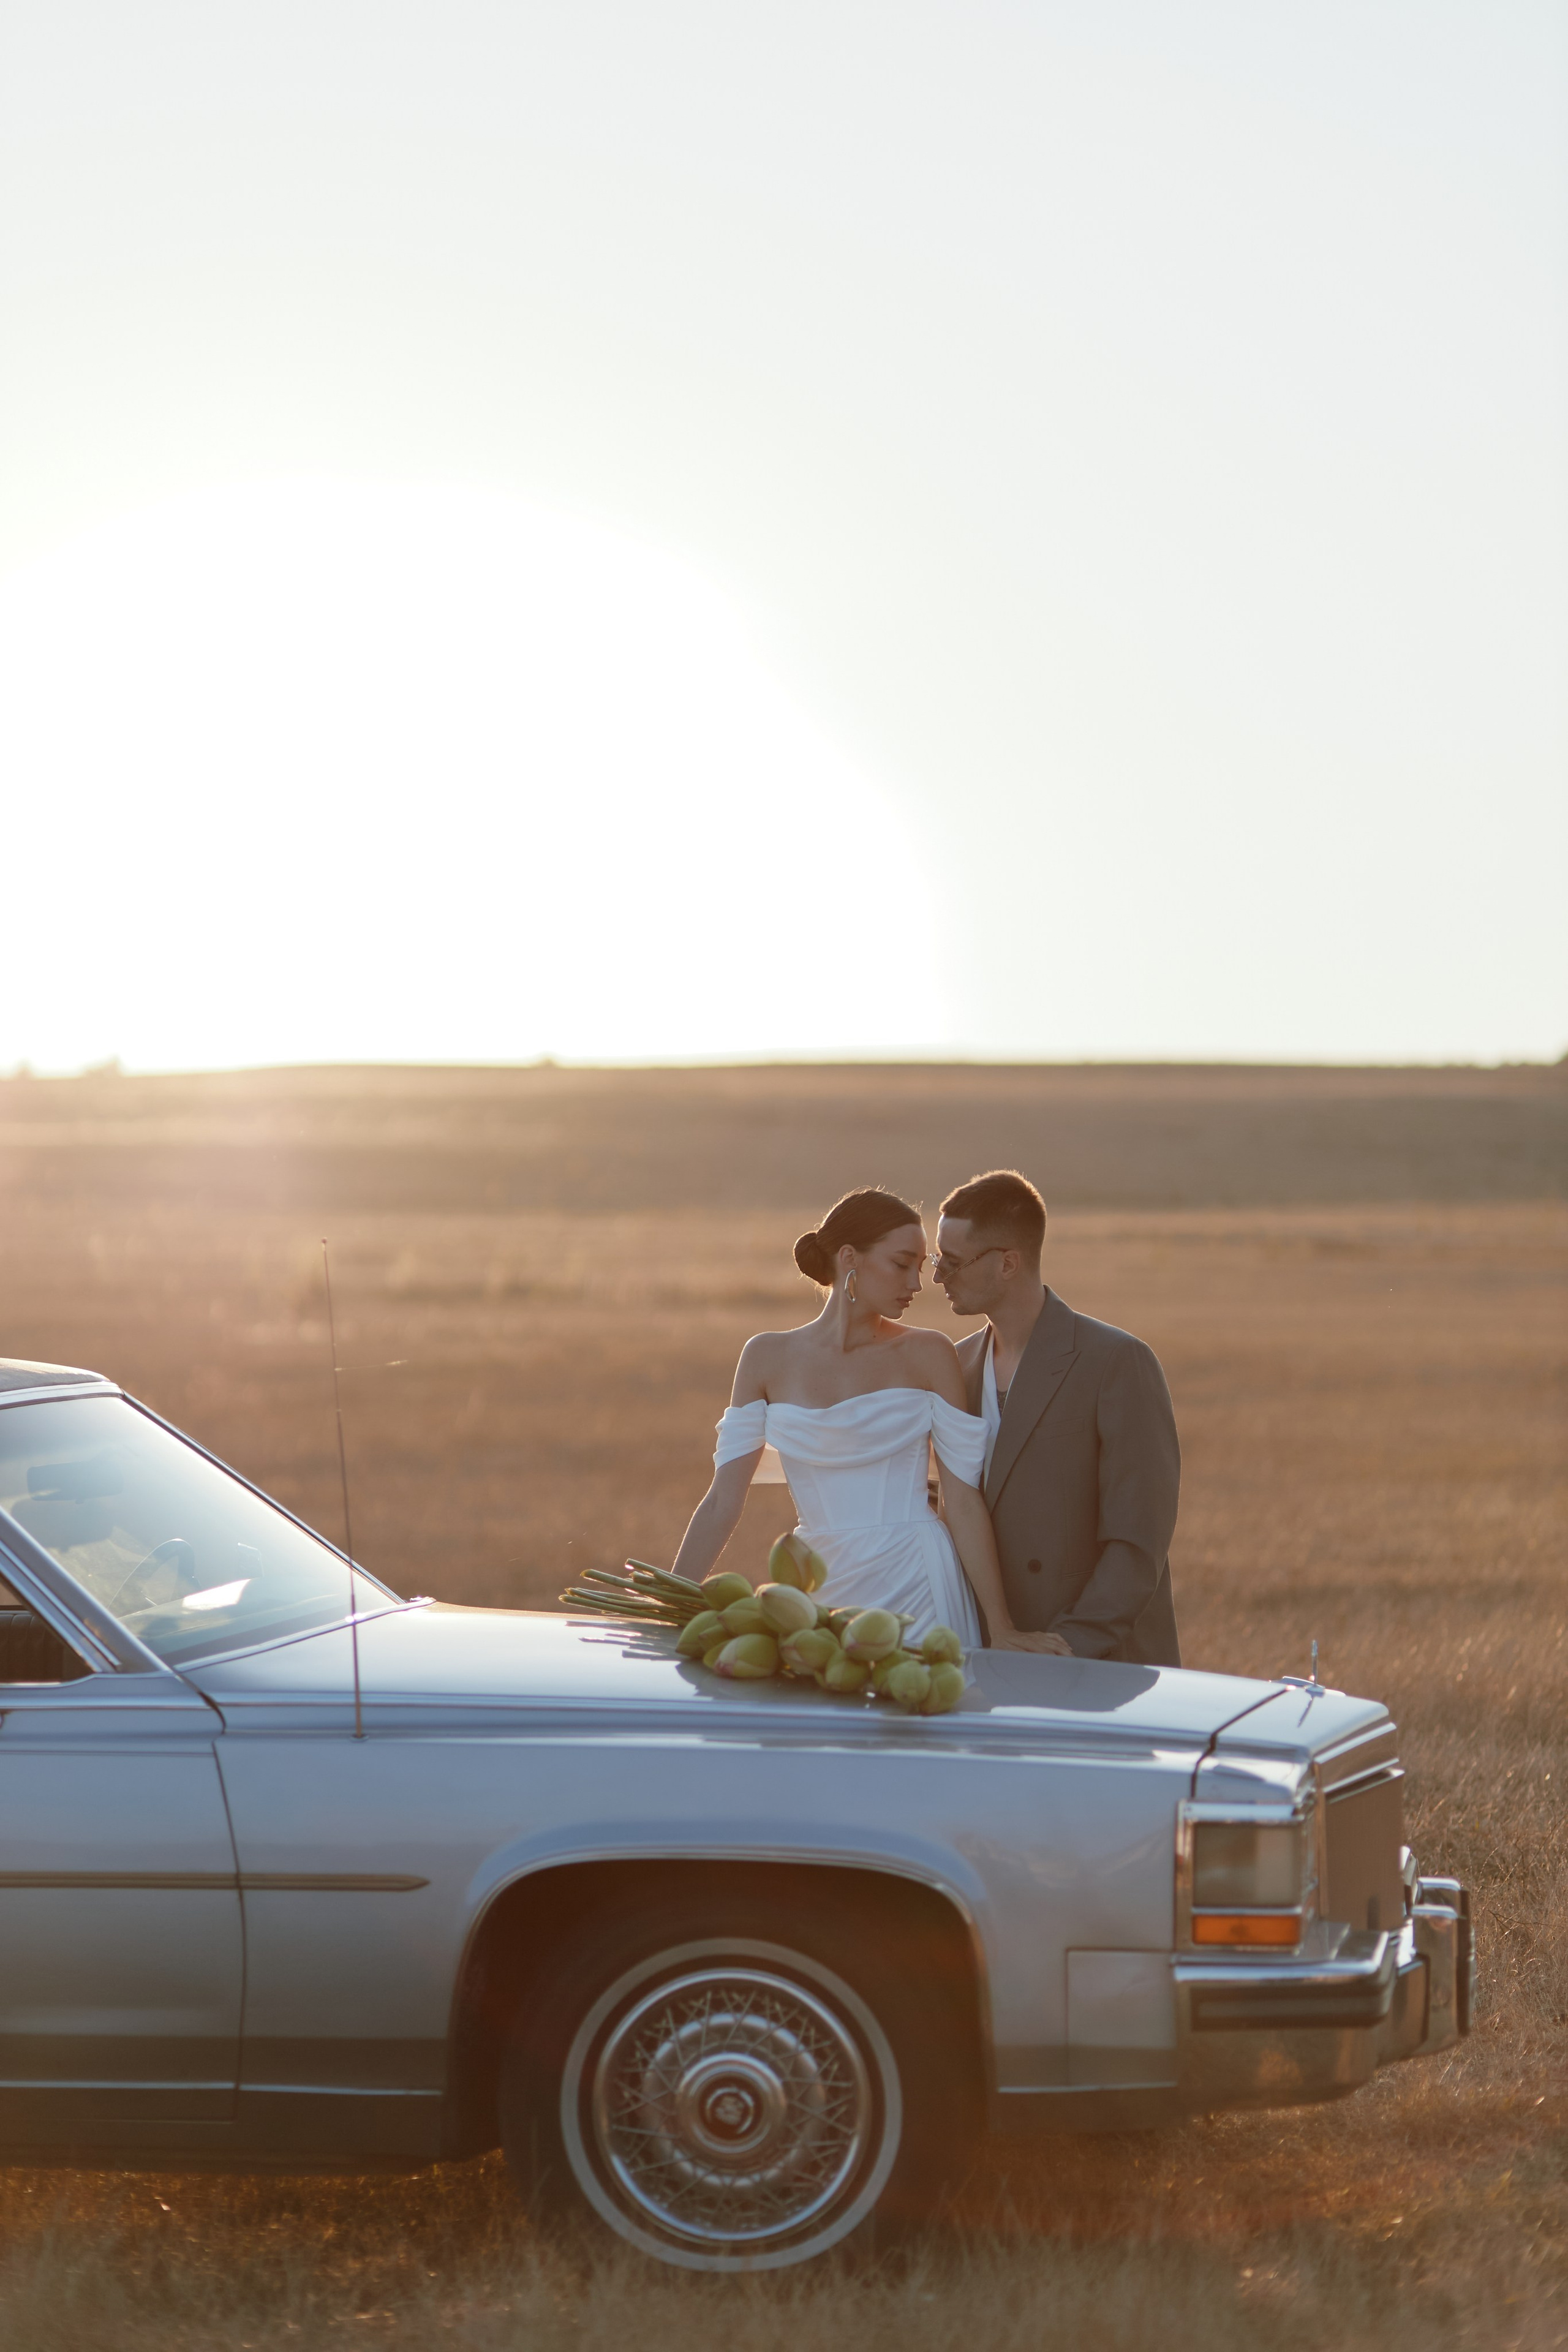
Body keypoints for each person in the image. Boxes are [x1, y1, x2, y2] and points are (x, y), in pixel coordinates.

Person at [671, 1187, 1063, 1651]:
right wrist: (671, 1604)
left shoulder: (929, 1354)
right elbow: (721, 1502)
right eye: (902, 1264)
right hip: (816, 1588)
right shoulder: (765, 1358)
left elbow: (962, 1501)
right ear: (849, 1258)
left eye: (921, 1268)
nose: (916, 1285)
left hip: (921, 1584)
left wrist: (1001, 1629)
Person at [933, 1169, 1182, 1667]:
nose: (938, 1276)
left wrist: (1067, 1648)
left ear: (1008, 1264)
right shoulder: (952, 1369)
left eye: (953, 1262)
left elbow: (1137, 1541)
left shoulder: (1116, 1362)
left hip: (1102, 1669)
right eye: (938, 1260)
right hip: (990, 1657)